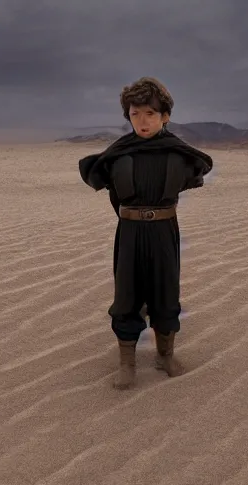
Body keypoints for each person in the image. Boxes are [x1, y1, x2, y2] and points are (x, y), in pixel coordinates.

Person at [78, 76, 214, 390]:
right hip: (128, 234)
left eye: (150, 113)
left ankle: (165, 356)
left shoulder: (181, 156)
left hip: (165, 233)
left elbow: (198, 171)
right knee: (126, 294)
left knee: (166, 292)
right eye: (135, 113)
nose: (142, 120)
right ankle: (127, 363)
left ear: (165, 116)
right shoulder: (116, 156)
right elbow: (109, 189)